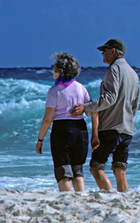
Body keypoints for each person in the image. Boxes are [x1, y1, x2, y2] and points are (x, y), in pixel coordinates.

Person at [70, 39, 140, 192]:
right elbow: (134, 105)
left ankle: (110, 198)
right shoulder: (133, 74)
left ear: (113, 51)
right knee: (119, 170)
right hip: (127, 129)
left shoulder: (114, 69)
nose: (102, 53)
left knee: (96, 167)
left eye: (105, 50)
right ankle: (124, 201)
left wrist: (85, 108)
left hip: (111, 127)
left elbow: (110, 98)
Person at [36, 52, 99, 192]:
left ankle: (66, 200)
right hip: (81, 131)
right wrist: (95, 134)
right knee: (78, 170)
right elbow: (94, 111)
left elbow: (47, 119)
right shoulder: (81, 88)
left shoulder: (54, 91)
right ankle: (81, 199)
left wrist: (40, 139)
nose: (52, 69)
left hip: (62, 130)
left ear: (59, 71)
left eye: (54, 67)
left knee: (63, 170)